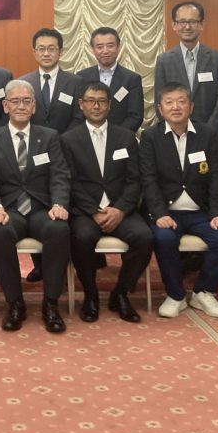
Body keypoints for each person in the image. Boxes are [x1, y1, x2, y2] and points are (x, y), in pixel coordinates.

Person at [0, 80, 71, 333]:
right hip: (10, 210)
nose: (21, 106)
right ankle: (15, 303)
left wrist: (59, 204)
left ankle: (50, 304)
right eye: (15, 101)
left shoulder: (49, 137)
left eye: (26, 101)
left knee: (59, 229)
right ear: (5, 106)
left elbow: (60, 175)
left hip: (42, 209)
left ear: (33, 107)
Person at [140, 82, 218, 319]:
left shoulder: (208, 134)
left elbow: (216, 177)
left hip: (200, 211)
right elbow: (148, 179)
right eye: (169, 102)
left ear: (191, 106)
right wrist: (160, 214)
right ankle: (176, 295)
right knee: (164, 239)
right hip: (167, 212)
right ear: (160, 109)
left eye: (181, 101)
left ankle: (204, 291)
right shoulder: (151, 137)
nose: (176, 107)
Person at [61, 81, 152, 323]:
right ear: (81, 104)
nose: (96, 106)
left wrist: (120, 209)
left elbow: (135, 180)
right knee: (81, 238)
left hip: (120, 209)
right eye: (91, 101)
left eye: (101, 101)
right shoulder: (68, 139)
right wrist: (93, 211)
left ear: (110, 105)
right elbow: (70, 182)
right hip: (86, 211)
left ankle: (120, 293)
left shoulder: (126, 138)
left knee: (144, 237)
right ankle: (90, 295)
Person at [18, 27, 83, 282]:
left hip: (66, 153)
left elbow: (79, 118)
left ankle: (61, 264)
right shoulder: (24, 83)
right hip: (31, 156)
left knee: (60, 209)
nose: (46, 53)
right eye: (41, 49)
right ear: (34, 52)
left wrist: (57, 143)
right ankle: (40, 265)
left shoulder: (75, 82)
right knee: (34, 205)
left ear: (60, 51)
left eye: (51, 49)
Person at [153, 1, 218, 132]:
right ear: (174, 25)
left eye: (193, 22)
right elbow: (159, 100)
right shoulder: (163, 61)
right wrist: (176, 128)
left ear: (201, 25)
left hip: (211, 133)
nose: (187, 27)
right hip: (175, 132)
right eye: (182, 22)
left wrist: (209, 131)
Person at [77, 27, 144, 132]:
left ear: (118, 47)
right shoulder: (82, 77)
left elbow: (135, 116)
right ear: (93, 50)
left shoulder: (132, 79)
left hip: (120, 137)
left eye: (110, 46)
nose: (105, 51)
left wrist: (114, 136)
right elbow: (78, 113)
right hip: (88, 137)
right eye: (100, 47)